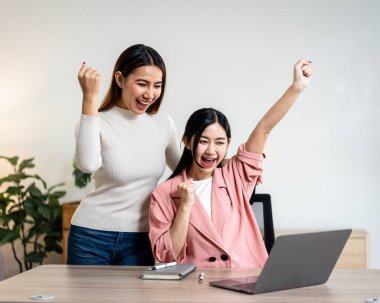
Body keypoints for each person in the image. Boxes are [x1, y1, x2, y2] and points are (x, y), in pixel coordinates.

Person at [149, 59, 312, 268]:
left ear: (228, 144)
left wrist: (296, 87)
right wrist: (185, 207)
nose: (211, 150)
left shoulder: (235, 175)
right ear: (187, 141)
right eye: (203, 141)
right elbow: (167, 255)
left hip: (244, 281)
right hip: (197, 289)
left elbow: (263, 129)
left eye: (219, 142)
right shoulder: (164, 193)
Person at [67, 44, 181, 266]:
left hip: (141, 239)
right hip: (91, 237)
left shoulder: (163, 124)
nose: (150, 94)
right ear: (120, 79)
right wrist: (89, 97)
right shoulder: (95, 121)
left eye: (157, 86)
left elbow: (185, 171)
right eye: (142, 84)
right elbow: (87, 164)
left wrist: (226, 162)